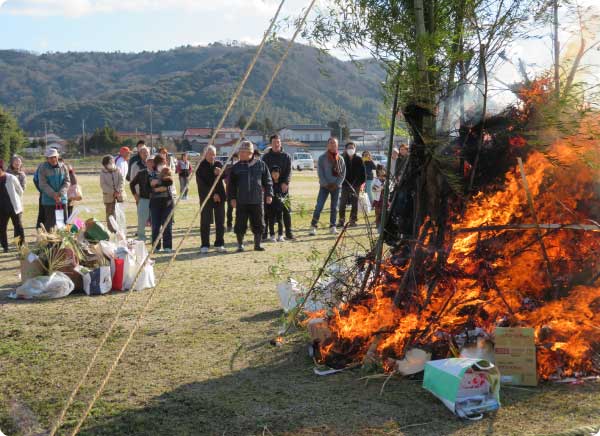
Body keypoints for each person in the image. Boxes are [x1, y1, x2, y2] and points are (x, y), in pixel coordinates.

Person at [228, 141, 273, 252]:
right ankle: (240, 245)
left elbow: (268, 181)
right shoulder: (236, 167)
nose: (240, 154)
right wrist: (232, 198)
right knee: (240, 224)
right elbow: (231, 185)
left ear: (250, 153)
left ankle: (257, 244)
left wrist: (269, 194)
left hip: (257, 200)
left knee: (258, 223)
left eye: (243, 152)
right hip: (241, 200)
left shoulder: (261, 165)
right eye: (240, 152)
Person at [309, 137, 346, 235]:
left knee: (334, 207)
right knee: (319, 206)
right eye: (331, 143)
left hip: (336, 187)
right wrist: (326, 184)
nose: (333, 145)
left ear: (337, 145)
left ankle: (332, 226)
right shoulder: (322, 158)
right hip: (324, 187)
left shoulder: (340, 159)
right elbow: (320, 173)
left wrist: (337, 184)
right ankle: (313, 226)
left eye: (335, 143)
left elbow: (343, 174)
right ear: (327, 145)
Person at [262, 134, 294, 240]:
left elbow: (289, 171)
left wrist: (286, 182)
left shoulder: (286, 156)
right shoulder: (266, 157)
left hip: (283, 187)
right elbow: (263, 172)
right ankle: (265, 233)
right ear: (270, 144)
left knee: (286, 210)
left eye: (278, 142)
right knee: (267, 211)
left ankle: (288, 232)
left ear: (281, 143)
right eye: (274, 142)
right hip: (269, 187)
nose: (277, 144)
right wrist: (265, 185)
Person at [195, 145, 226, 253]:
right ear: (205, 154)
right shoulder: (200, 166)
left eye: (214, 154)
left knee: (220, 221)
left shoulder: (218, 164)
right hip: (206, 197)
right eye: (210, 154)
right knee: (205, 222)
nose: (212, 156)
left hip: (220, 197)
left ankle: (219, 243)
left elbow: (225, 176)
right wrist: (212, 194)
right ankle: (205, 245)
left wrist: (220, 172)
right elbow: (202, 185)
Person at [38, 148, 70, 230]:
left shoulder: (63, 166)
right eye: (50, 157)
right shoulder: (43, 168)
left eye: (54, 157)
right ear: (47, 158)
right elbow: (42, 184)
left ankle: (63, 242)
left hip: (62, 199)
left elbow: (67, 182)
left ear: (57, 156)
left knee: (63, 223)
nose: (53, 159)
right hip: (49, 201)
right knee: (50, 224)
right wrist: (54, 195)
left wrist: (60, 194)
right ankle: (51, 243)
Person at [148, 155, 174, 252]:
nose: (162, 165)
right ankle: (156, 246)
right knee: (155, 226)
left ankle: (167, 246)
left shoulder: (168, 171)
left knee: (167, 225)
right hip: (155, 203)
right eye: (160, 163)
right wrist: (161, 181)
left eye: (163, 163)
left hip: (168, 202)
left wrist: (159, 184)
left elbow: (168, 183)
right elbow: (152, 184)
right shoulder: (151, 173)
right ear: (156, 164)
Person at [338, 142, 366, 227]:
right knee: (342, 203)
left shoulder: (359, 159)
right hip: (345, 184)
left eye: (352, 148)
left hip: (356, 185)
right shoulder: (342, 158)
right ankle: (341, 220)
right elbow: (339, 172)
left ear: (355, 149)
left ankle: (353, 220)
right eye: (349, 147)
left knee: (354, 203)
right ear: (346, 149)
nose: (351, 149)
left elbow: (363, 174)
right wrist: (342, 182)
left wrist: (359, 184)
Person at [0, 161, 24, 252]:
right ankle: (5, 247)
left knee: (18, 227)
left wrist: (17, 200)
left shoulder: (11, 178)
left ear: (2, 168)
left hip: (14, 207)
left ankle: (20, 245)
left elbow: (20, 191)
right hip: (1, 209)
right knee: (2, 228)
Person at [130, 155, 154, 241]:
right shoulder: (141, 173)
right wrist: (135, 195)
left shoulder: (158, 173)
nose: (151, 163)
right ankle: (141, 237)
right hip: (144, 199)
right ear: (146, 163)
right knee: (141, 220)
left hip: (155, 200)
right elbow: (132, 184)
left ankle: (154, 237)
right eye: (150, 161)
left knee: (155, 220)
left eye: (153, 161)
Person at [100, 155, 124, 233]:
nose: (112, 163)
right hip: (108, 197)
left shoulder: (118, 170)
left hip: (119, 195)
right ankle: (111, 231)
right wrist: (112, 192)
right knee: (110, 214)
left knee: (119, 214)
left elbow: (122, 181)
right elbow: (103, 185)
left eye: (113, 161)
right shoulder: (102, 172)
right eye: (110, 162)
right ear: (105, 164)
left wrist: (117, 190)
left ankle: (120, 230)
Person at [265, 166, 286, 242]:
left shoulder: (282, 183)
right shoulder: (269, 183)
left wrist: (283, 198)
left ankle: (280, 235)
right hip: (271, 205)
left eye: (276, 173)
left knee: (280, 220)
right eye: (273, 173)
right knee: (271, 220)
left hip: (280, 205)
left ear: (279, 174)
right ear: (271, 174)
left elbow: (285, 193)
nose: (275, 175)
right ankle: (272, 235)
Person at [223, 152, 238, 232]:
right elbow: (225, 178)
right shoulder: (229, 168)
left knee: (239, 210)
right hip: (229, 191)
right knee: (230, 209)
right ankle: (229, 225)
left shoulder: (240, 167)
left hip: (239, 192)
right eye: (234, 158)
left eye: (237, 158)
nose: (236, 160)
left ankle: (238, 225)